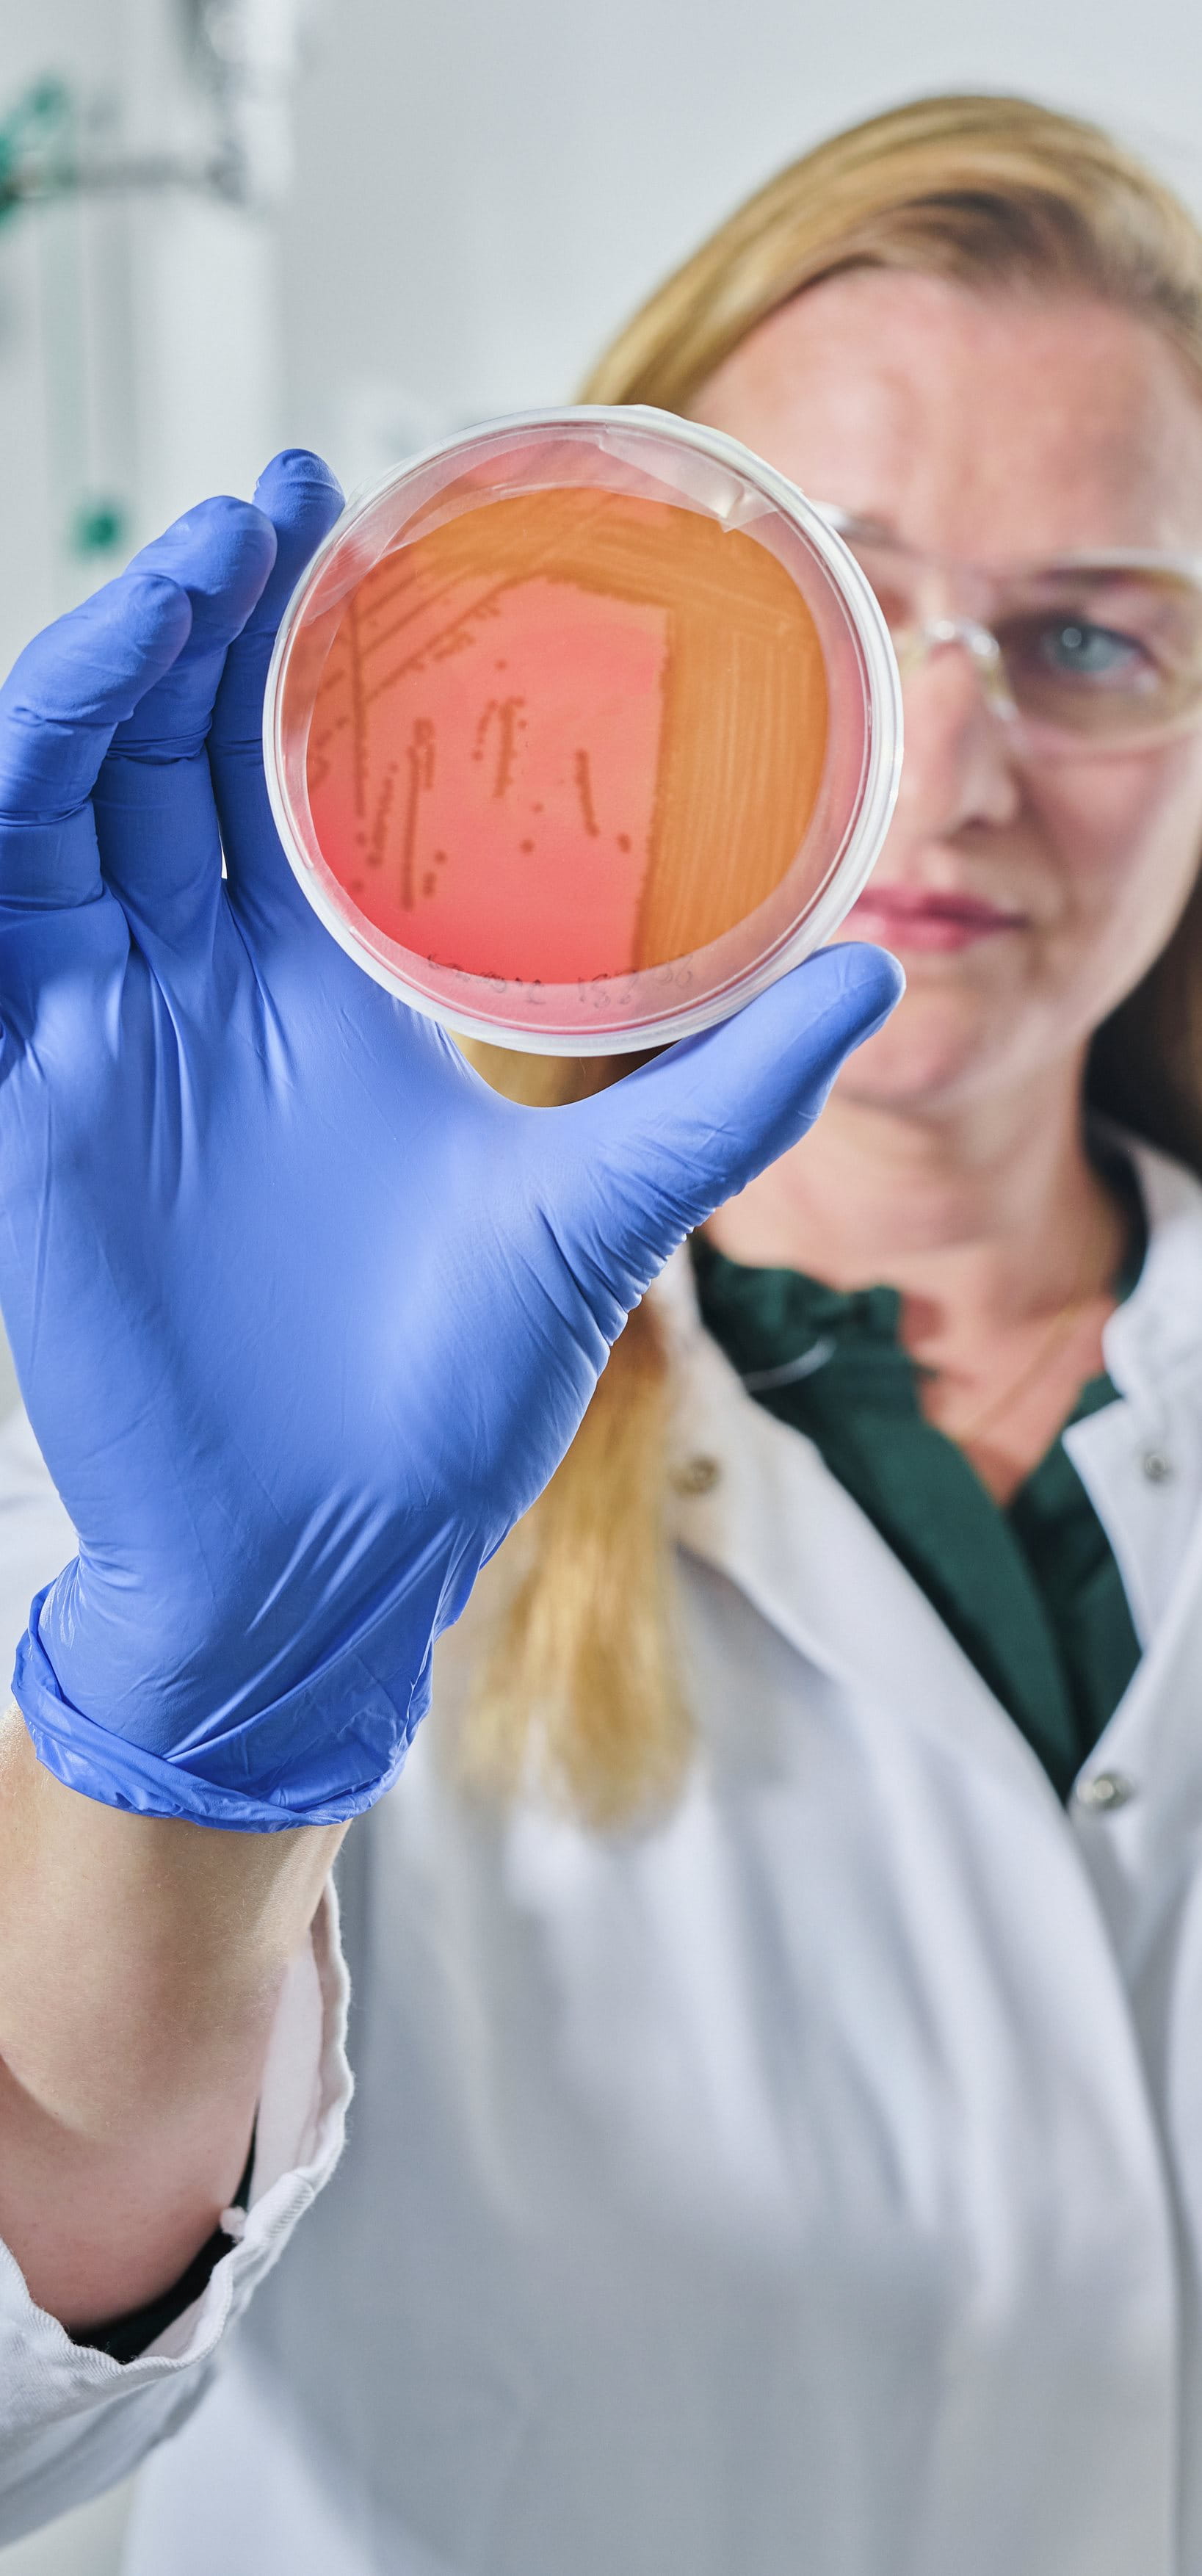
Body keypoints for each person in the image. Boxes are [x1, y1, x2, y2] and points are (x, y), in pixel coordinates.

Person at [3, 84, 1202, 2576]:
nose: (952, 762)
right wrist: (198, 1748)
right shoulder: (245, 1385)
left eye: (1097, 637)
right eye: (849, 614)